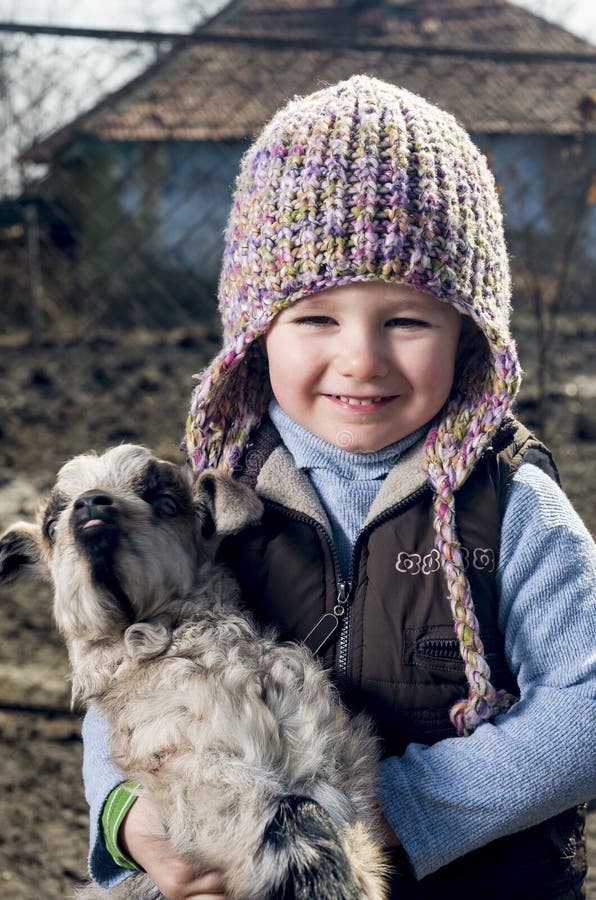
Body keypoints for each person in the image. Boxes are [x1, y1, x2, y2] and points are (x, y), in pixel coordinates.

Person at [82, 75, 596, 899]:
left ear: (467, 336)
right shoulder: (207, 509)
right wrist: (136, 824)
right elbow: (126, 678)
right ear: (256, 336)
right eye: (316, 318)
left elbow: (588, 707)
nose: (361, 358)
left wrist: (396, 811)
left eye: (407, 320)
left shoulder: (513, 508)